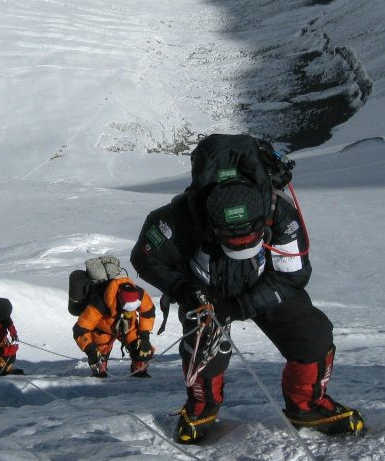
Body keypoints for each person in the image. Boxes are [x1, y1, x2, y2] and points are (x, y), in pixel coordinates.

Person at [130, 139, 364, 443]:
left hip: (263, 284)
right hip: (204, 291)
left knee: (312, 335)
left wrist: (240, 307)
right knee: (203, 350)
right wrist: (184, 289)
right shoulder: (176, 219)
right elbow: (145, 257)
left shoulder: (280, 213)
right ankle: (202, 407)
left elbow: (292, 276)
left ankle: (307, 407)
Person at [73, 277, 156, 378]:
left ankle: (139, 371)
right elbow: (80, 329)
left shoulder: (140, 294)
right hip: (102, 331)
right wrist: (91, 352)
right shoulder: (99, 303)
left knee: (143, 351)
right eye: (127, 309)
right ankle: (99, 376)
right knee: (99, 366)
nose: (129, 312)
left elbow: (148, 311)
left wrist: (144, 337)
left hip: (128, 328)